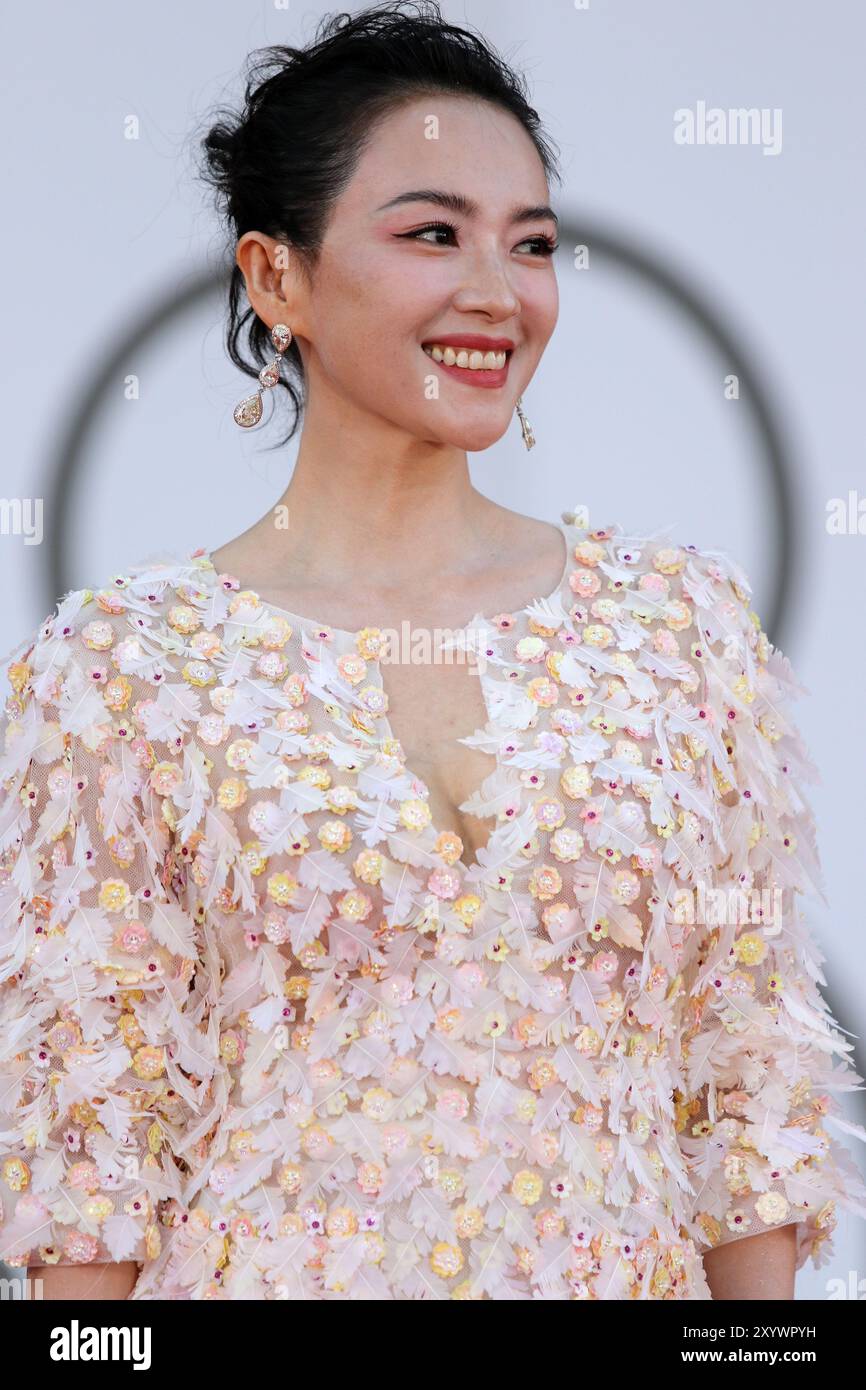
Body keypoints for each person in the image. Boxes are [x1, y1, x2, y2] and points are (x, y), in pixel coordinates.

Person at [1, 0, 864, 1302]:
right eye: (430, 233)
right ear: (274, 276)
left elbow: (748, 1102)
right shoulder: (122, 667)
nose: (495, 291)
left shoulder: (680, 625)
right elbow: (90, 1155)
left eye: (530, 245)